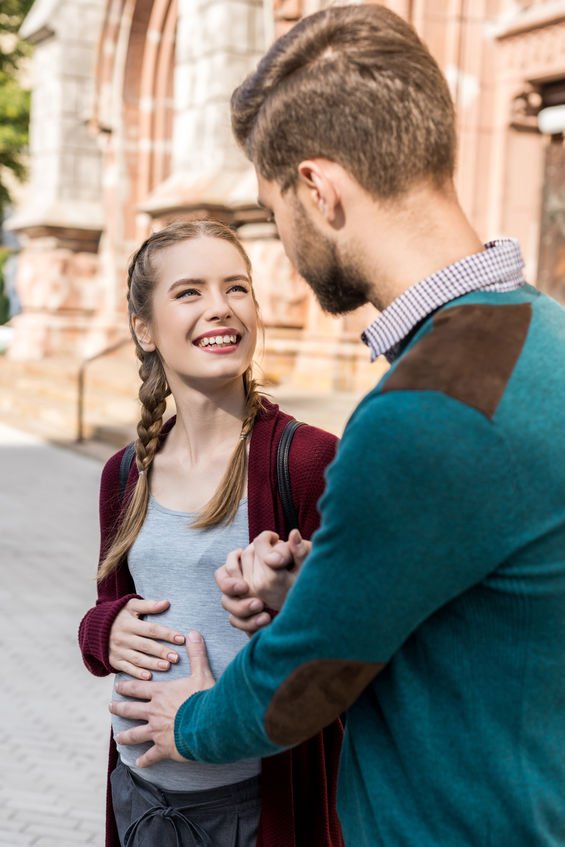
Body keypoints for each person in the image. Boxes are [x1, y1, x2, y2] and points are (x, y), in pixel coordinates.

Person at [109, 6, 565, 846]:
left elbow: (302, 683)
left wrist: (190, 723)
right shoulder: (542, 336)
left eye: (272, 208)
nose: (279, 240)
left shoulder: (426, 407)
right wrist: (319, 583)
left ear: (317, 190)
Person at [78, 219, 344, 847]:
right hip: (143, 801)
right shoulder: (124, 473)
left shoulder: (308, 462)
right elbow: (108, 610)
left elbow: (351, 649)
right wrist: (101, 631)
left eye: (237, 288)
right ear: (144, 328)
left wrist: (287, 602)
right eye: (190, 292)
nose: (221, 308)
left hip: (260, 808)